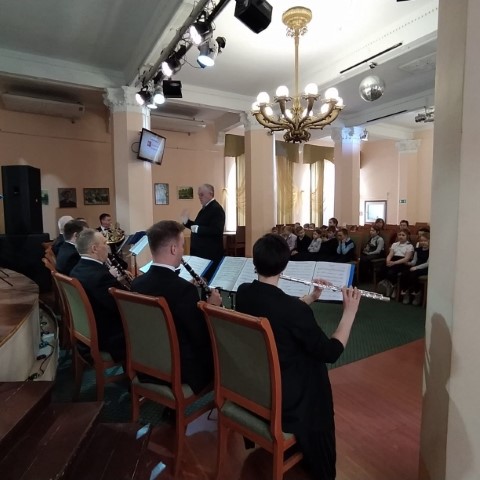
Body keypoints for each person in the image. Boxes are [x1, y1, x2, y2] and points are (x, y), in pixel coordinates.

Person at [235, 234, 361, 480]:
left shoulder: (244, 292)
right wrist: (349, 313)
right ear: (285, 266)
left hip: (254, 383)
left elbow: (279, 312)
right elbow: (331, 352)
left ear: (255, 262)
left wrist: (311, 297)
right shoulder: (293, 310)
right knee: (317, 371)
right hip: (286, 397)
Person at [130, 220, 222, 394]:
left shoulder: (137, 283)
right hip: (179, 370)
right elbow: (201, 336)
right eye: (181, 246)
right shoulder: (183, 291)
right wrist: (211, 308)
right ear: (173, 249)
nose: (182, 250)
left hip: (145, 361)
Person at [70, 228, 127, 362]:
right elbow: (124, 307)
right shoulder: (100, 277)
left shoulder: (76, 270)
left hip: (89, 330)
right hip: (107, 335)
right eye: (104, 243)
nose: (108, 247)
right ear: (94, 249)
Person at [181, 184, 225, 280]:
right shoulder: (206, 208)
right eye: (199, 195)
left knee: (207, 280)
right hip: (201, 253)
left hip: (209, 254)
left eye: (201, 194)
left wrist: (198, 229)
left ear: (211, 194)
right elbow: (198, 226)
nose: (199, 197)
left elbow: (217, 230)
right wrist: (187, 222)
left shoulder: (216, 209)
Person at [380, 229, 414, 298]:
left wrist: (394, 263)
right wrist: (388, 261)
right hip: (393, 259)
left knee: (391, 272)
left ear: (407, 236)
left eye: (403, 235)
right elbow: (390, 254)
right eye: (399, 235)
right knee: (382, 268)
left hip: (402, 262)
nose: (401, 236)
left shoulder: (409, 246)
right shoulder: (394, 244)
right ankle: (389, 285)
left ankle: (394, 286)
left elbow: (406, 258)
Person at [400, 232, 430, 305]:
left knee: (413, 275)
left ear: (429, 241)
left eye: (425, 241)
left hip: (424, 268)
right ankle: (406, 292)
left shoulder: (431, 251)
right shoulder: (418, 249)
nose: (423, 242)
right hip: (416, 266)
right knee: (404, 273)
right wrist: (409, 263)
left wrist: (416, 267)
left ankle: (417, 293)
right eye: (421, 241)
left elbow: (428, 263)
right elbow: (414, 261)